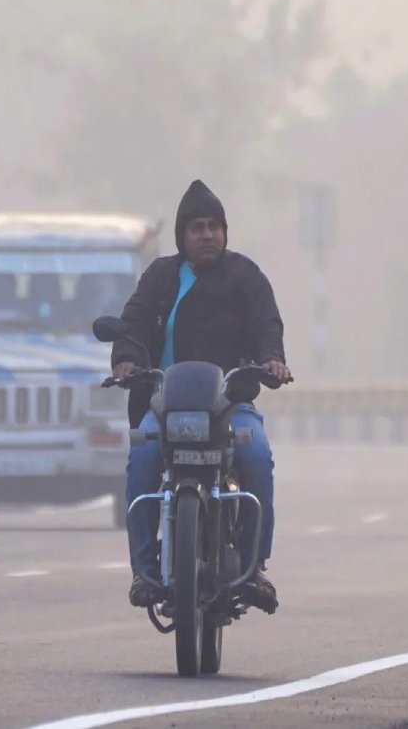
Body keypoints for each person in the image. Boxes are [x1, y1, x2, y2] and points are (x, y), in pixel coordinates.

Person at [111, 180, 289, 608]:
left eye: (213, 226)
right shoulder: (161, 277)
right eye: (196, 228)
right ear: (181, 236)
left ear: (225, 232)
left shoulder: (245, 276)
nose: (206, 235)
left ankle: (253, 567)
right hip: (165, 406)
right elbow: (133, 324)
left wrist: (272, 360)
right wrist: (126, 359)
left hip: (231, 405)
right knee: (143, 458)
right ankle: (145, 572)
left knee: (257, 458)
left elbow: (267, 326)